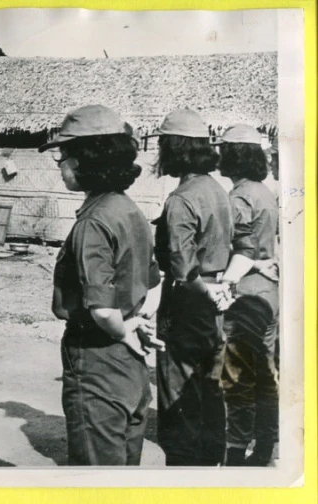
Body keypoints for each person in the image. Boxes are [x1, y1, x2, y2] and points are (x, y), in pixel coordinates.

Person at [40, 105, 164, 465]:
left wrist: (122, 329)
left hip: (97, 359)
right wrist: (136, 321)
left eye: (62, 158)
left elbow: (103, 308)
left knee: (95, 479)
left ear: (84, 161)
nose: (61, 167)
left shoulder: (93, 222)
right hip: (131, 369)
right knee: (124, 469)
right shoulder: (129, 210)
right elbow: (154, 283)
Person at [149, 109, 234, 466]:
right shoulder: (217, 189)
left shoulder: (182, 198)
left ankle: (184, 475)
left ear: (174, 148)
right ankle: (211, 467)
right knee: (209, 388)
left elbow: (183, 268)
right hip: (215, 297)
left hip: (188, 299)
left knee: (178, 396)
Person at [214, 124, 280, 466]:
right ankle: (266, 445)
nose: (219, 156)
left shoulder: (239, 196)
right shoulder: (264, 192)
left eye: (223, 150)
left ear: (234, 155)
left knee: (238, 376)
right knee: (266, 374)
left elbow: (240, 249)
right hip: (269, 293)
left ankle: (237, 451)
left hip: (246, 293)